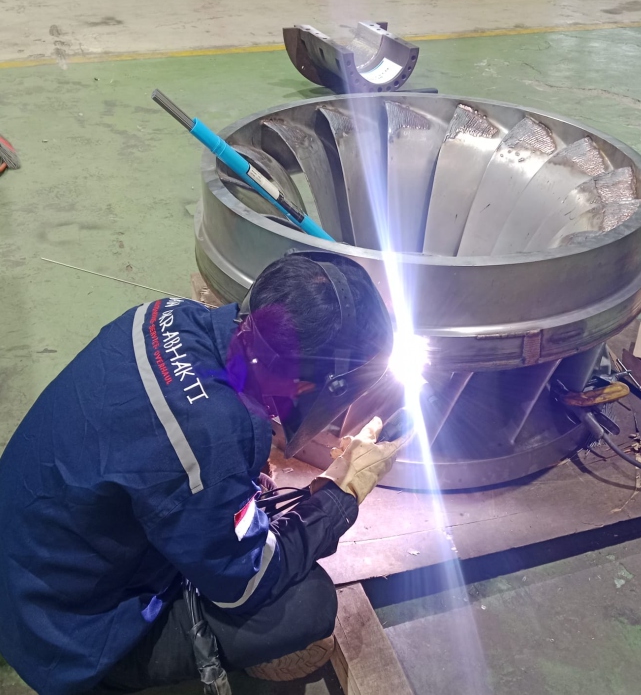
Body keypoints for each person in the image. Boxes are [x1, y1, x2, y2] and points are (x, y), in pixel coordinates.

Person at [0, 251, 409, 695]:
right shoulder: (210, 445)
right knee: (308, 603)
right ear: (305, 385)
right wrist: (339, 494)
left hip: (29, 557)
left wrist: (241, 461)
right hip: (58, 633)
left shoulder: (165, 314)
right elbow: (246, 583)